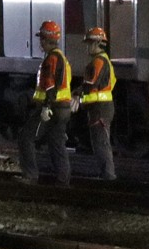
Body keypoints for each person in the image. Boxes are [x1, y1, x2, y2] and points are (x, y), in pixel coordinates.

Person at [19, 20, 72, 186]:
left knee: (26, 137)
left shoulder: (51, 60)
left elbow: (50, 86)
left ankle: (30, 175)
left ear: (45, 39)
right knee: (57, 144)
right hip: (63, 108)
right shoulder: (61, 57)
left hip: (52, 108)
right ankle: (63, 181)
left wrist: (46, 107)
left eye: (41, 39)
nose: (40, 43)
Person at [75, 27, 116, 181]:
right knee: (100, 142)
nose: (87, 47)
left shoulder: (98, 62)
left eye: (89, 43)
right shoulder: (102, 60)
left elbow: (90, 84)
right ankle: (106, 175)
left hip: (100, 109)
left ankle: (108, 176)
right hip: (100, 108)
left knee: (101, 144)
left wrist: (77, 94)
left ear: (97, 43)